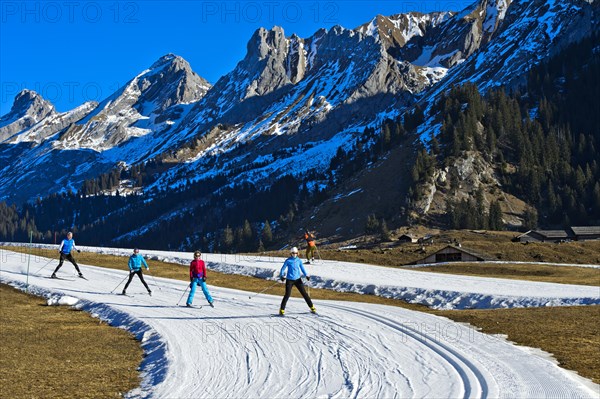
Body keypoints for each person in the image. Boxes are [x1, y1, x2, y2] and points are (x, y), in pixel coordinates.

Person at [279, 246, 316, 316]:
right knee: (287, 295)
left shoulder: (299, 260)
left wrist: (306, 275)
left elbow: (302, 269)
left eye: (296, 253)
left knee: (304, 294)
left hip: (298, 280)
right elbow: (282, 269)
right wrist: (281, 276)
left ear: (297, 253)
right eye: (293, 253)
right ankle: (281, 310)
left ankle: (312, 307)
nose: (295, 254)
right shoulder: (288, 261)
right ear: (291, 253)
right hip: (289, 280)